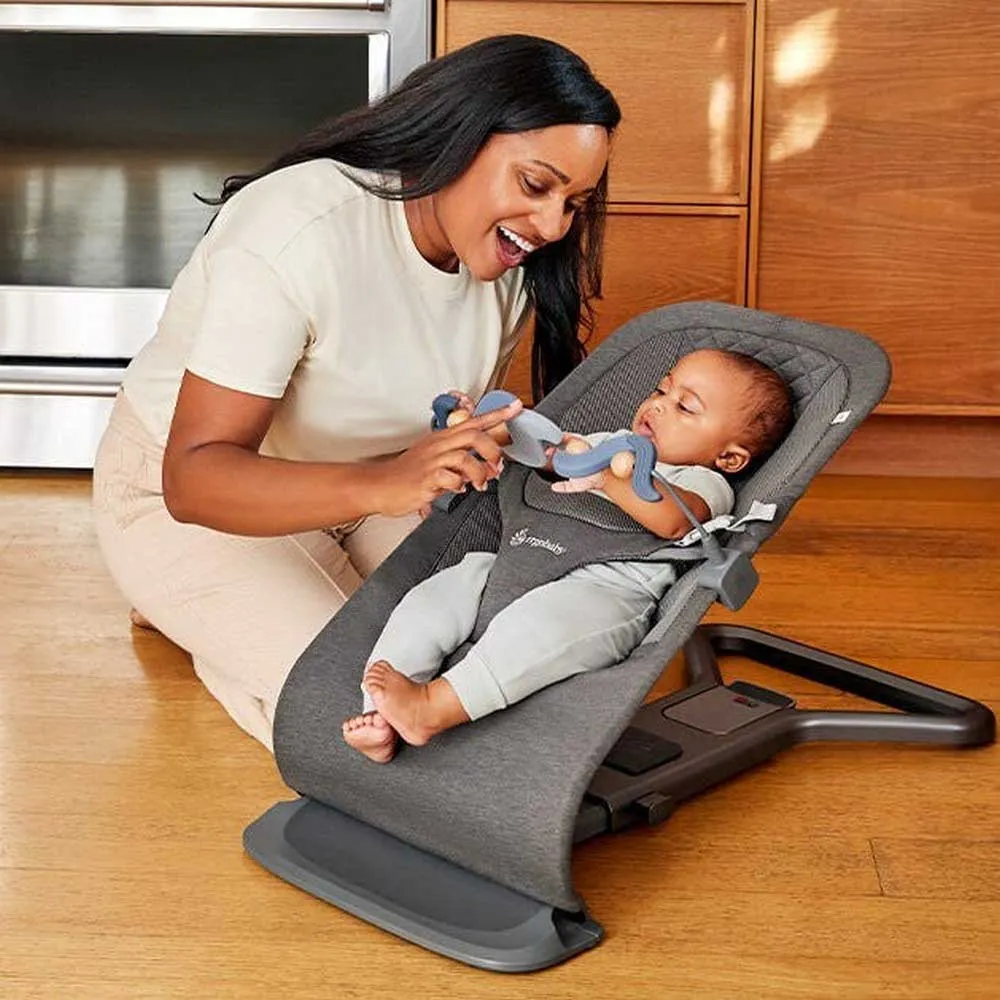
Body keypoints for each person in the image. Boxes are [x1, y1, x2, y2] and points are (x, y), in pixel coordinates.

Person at [91, 35, 622, 749]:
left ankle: (214, 611)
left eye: (573, 203)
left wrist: (466, 445)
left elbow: (421, 415)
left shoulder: (505, 266)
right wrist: (387, 482)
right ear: (460, 138)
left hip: (368, 495)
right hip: (191, 500)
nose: (555, 226)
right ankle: (191, 601)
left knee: (480, 669)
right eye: (535, 185)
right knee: (367, 712)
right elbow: (193, 479)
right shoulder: (299, 230)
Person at [342, 348, 794, 763]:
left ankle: (433, 706)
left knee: (538, 630)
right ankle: (380, 715)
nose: (658, 405)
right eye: (661, 390)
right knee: (436, 596)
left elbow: (674, 522)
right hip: (518, 558)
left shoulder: (703, 483)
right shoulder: (611, 440)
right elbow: (551, 454)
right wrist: (493, 428)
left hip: (603, 588)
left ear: (729, 459)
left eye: (685, 407)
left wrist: (608, 477)